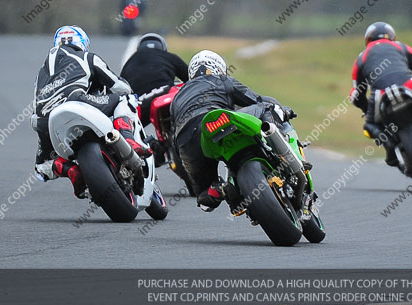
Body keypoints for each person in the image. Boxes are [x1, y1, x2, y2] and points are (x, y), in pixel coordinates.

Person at [33, 25, 151, 197]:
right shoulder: (87, 57)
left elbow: (35, 108)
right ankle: (129, 139)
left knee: (40, 167)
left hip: (44, 120)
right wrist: (130, 91)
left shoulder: (41, 73)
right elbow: (120, 87)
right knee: (125, 99)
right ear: (83, 42)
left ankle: (70, 170)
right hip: (75, 101)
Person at [169, 50, 293, 211]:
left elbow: (173, 139)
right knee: (267, 107)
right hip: (217, 119)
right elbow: (257, 100)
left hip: (186, 141)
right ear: (219, 67)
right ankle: (282, 151)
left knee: (205, 196)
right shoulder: (221, 79)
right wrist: (283, 110)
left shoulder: (177, 97)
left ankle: (219, 190)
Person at [349, 21, 412, 166]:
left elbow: (357, 94)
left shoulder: (361, 58)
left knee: (370, 125)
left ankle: (390, 149)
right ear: (392, 36)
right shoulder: (400, 46)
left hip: (380, 93)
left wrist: (365, 109)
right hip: (409, 85)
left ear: (368, 39)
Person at [120, 33, 189, 125]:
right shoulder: (169, 56)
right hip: (166, 95)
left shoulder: (130, 61)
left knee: (133, 128)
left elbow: (121, 88)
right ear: (163, 48)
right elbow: (191, 78)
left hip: (140, 103)